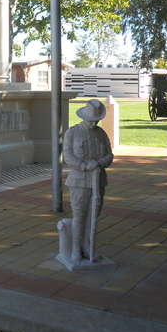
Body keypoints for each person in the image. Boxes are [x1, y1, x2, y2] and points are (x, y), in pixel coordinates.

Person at [62, 99, 113, 263]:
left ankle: (88, 246)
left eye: (97, 120)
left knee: (93, 216)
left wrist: (98, 163)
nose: (94, 123)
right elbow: (68, 156)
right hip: (79, 181)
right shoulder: (73, 132)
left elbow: (109, 155)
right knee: (79, 215)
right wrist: (84, 165)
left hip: (98, 181)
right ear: (84, 117)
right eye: (92, 120)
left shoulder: (101, 133)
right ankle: (76, 249)